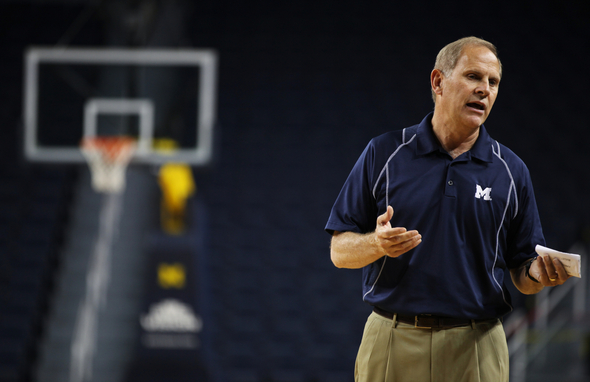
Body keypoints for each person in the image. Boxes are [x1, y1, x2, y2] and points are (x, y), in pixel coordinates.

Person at [325, 36, 572, 382]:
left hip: (477, 345)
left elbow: (521, 271)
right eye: (473, 76)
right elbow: (338, 250)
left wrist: (537, 276)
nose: (484, 89)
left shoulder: (511, 171)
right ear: (438, 81)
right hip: (392, 339)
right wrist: (376, 244)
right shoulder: (384, 153)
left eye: (493, 82)